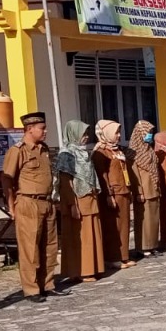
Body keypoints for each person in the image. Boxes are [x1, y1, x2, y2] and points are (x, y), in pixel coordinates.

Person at [2, 112, 60, 303]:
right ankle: (32, 288)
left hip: (46, 202)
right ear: (29, 129)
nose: (46, 131)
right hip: (28, 202)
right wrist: (11, 206)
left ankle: (48, 283)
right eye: (42, 128)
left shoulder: (43, 149)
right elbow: (7, 179)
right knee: (30, 247)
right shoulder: (18, 151)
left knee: (50, 245)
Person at [56, 120, 106, 283]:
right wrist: (72, 204)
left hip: (89, 197)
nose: (85, 137)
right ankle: (81, 270)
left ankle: (94, 267)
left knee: (92, 233)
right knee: (82, 237)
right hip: (78, 199)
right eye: (83, 134)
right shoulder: (67, 154)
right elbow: (66, 181)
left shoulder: (83, 152)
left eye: (86, 134)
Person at [91, 120, 135, 270]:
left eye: (118, 132)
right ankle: (112, 257)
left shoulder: (117, 150)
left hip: (123, 191)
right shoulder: (101, 152)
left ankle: (123, 255)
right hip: (112, 193)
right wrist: (108, 194)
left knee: (124, 225)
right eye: (116, 132)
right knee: (112, 226)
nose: (118, 136)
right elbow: (102, 176)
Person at [127, 120, 162, 258]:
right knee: (144, 220)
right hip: (143, 191)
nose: (149, 135)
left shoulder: (150, 150)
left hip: (154, 188)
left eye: (151, 133)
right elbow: (134, 175)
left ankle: (153, 245)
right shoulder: (133, 153)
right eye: (147, 133)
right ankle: (143, 246)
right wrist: (139, 192)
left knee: (153, 219)